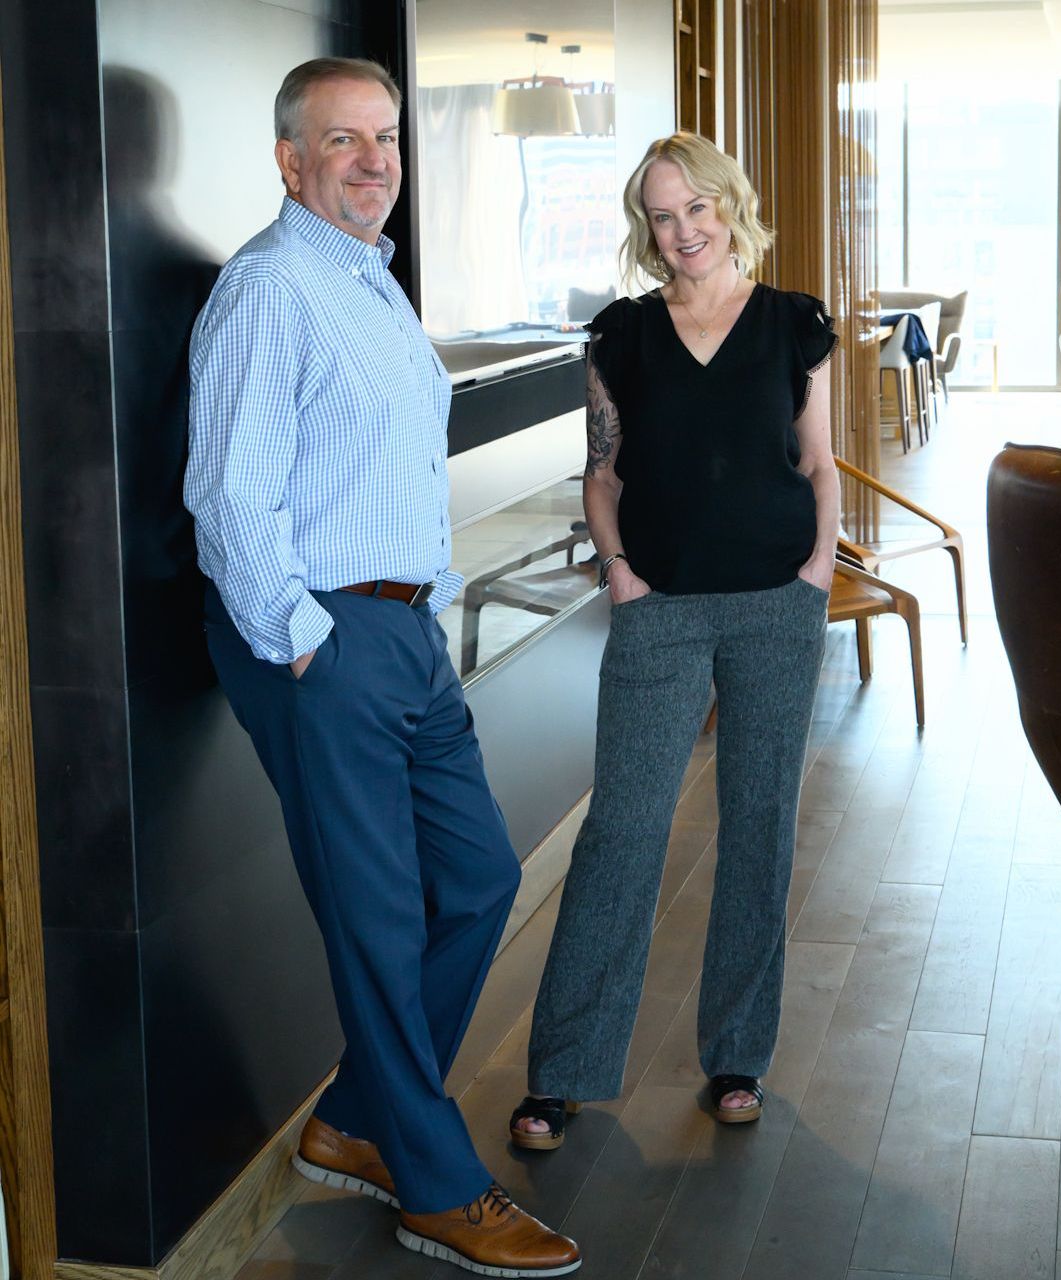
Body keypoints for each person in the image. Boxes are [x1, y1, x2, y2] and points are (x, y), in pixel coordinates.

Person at [184, 57, 580, 1278]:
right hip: (328, 642)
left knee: (472, 880)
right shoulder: (267, 290)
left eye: (387, 137)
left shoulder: (372, 287)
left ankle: (357, 1118)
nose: (373, 159)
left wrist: (416, 612)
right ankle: (436, 1183)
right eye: (342, 140)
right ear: (289, 159)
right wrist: (310, 643)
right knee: (374, 917)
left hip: (403, 630)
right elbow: (226, 494)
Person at [510, 132, 838, 1149]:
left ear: (729, 206)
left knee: (757, 824)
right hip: (658, 607)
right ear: (643, 229)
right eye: (660, 214)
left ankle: (736, 1055)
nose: (682, 230)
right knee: (623, 829)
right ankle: (561, 1070)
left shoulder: (795, 323)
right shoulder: (618, 334)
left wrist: (817, 571)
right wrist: (619, 570)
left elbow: (819, 460)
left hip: (776, 605)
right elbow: (600, 473)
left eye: (694, 207)